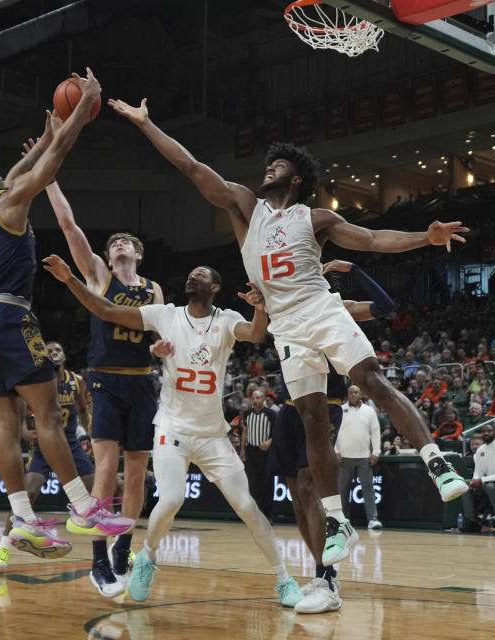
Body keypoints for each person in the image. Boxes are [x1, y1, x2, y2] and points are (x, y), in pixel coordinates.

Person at [108, 96, 468, 567]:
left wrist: (427, 236)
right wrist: (146, 124)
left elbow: (374, 239)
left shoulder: (316, 218)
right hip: (285, 326)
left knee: (372, 379)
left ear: (295, 178)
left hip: (321, 308)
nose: (268, 168)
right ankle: (338, 521)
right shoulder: (245, 207)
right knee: (313, 420)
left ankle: (436, 464)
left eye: (277, 165)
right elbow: (193, 167)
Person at [0, 67, 132, 563]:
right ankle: (83, 508)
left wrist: (44, 136)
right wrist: (74, 120)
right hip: (9, 318)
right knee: (47, 415)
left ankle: (23, 519)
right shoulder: (8, 202)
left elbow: (16, 174)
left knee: (9, 422)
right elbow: (43, 172)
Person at [43, 256, 305, 610]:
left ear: (214, 287)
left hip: (213, 435)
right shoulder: (165, 314)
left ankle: (284, 579)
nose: (191, 276)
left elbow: (257, 334)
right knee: (171, 500)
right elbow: (107, 311)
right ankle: (147, 558)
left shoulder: (226, 320)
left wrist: (260, 308)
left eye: (201, 274)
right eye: (190, 273)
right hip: (172, 429)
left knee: (247, 507)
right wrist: (71, 280)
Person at [44, 180, 163, 593]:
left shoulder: (153, 289)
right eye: (113, 243)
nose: (118, 245)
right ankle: (97, 559)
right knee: (106, 469)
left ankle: (122, 547)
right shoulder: (96, 274)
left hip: (143, 382)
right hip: (105, 381)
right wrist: (50, 181)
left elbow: (158, 336)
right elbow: (68, 224)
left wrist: (163, 346)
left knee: (136, 477)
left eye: (125, 242)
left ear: (138, 253)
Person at [268, 257, 395, 614]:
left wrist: (355, 271)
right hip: (288, 408)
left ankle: (328, 579)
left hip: (326, 404)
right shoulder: (288, 307)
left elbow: (385, 306)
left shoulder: (339, 308)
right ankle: (322, 573)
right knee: (297, 498)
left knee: (312, 489)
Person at [0, 341, 96, 570]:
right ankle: (3, 549)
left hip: (70, 444)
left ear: (64, 356)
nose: (54, 353)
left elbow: (84, 410)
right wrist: (26, 433)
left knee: (96, 492)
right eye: (49, 351)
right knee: (27, 491)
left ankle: (120, 548)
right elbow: (19, 413)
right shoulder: (35, 382)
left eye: (58, 350)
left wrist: (90, 434)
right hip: (43, 446)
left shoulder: (77, 381)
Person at [335, 385, 382, 531]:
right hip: (343, 457)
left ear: (361, 394)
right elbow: (333, 432)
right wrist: (335, 450)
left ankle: (372, 519)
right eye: (350, 392)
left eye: (356, 392)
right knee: (342, 490)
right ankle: (342, 520)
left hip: (364, 457)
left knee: (368, 489)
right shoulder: (340, 410)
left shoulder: (369, 411)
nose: (353, 394)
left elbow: (375, 432)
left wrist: (376, 451)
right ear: (347, 394)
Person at [459, 423, 495, 533]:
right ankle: (472, 520)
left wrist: (481, 480)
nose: (486, 433)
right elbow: (478, 472)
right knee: (465, 484)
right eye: (484, 431)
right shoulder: (481, 450)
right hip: (489, 483)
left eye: (489, 431)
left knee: (490, 486)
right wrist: (474, 480)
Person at [240, 390, 277, 520]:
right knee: (252, 485)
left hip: (266, 453)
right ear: (251, 399)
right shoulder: (247, 414)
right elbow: (245, 431)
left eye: (259, 397)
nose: (256, 400)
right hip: (251, 451)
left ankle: (268, 516)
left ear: (264, 400)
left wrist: (269, 442)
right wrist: (242, 450)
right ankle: (255, 516)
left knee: (266, 485)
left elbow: (277, 433)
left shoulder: (271, 414)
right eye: (254, 397)